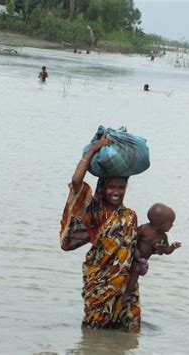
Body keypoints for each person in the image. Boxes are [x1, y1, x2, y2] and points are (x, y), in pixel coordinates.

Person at [59, 134, 142, 333]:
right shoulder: (93, 212)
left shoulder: (129, 215)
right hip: (98, 280)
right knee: (94, 326)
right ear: (103, 188)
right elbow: (76, 180)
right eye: (112, 187)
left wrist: (160, 248)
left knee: (126, 326)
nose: (117, 191)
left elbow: (133, 249)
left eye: (121, 187)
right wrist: (94, 148)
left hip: (125, 283)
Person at [124, 204, 181, 297]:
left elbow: (166, 251)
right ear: (160, 223)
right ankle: (127, 292)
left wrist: (171, 247)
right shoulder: (144, 229)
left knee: (137, 270)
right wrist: (135, 250)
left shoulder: (163, 237)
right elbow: (132, 239)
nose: (172, 225)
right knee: (136, 270)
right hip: (133, 256)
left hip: (142, 261)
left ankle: (129, 290)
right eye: (170, 223)